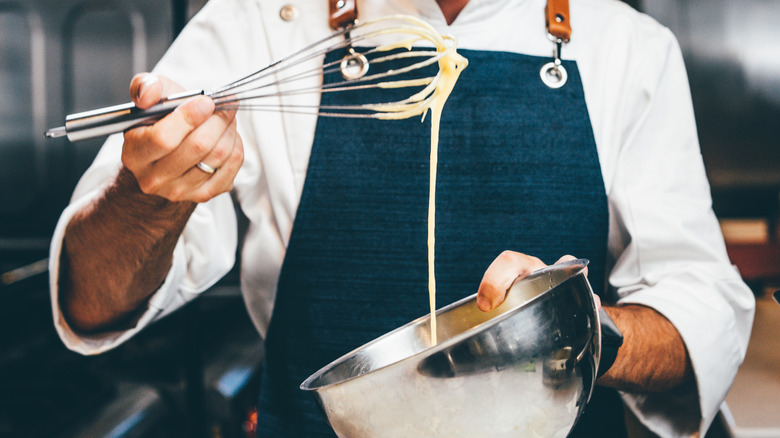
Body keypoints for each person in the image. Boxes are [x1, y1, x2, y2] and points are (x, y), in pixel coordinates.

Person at [48, 0, 755, 436]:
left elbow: (700, 307)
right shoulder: (258, 24)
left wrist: (579, 330)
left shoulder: (626, 46)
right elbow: (93, 297)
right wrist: (149, 194)